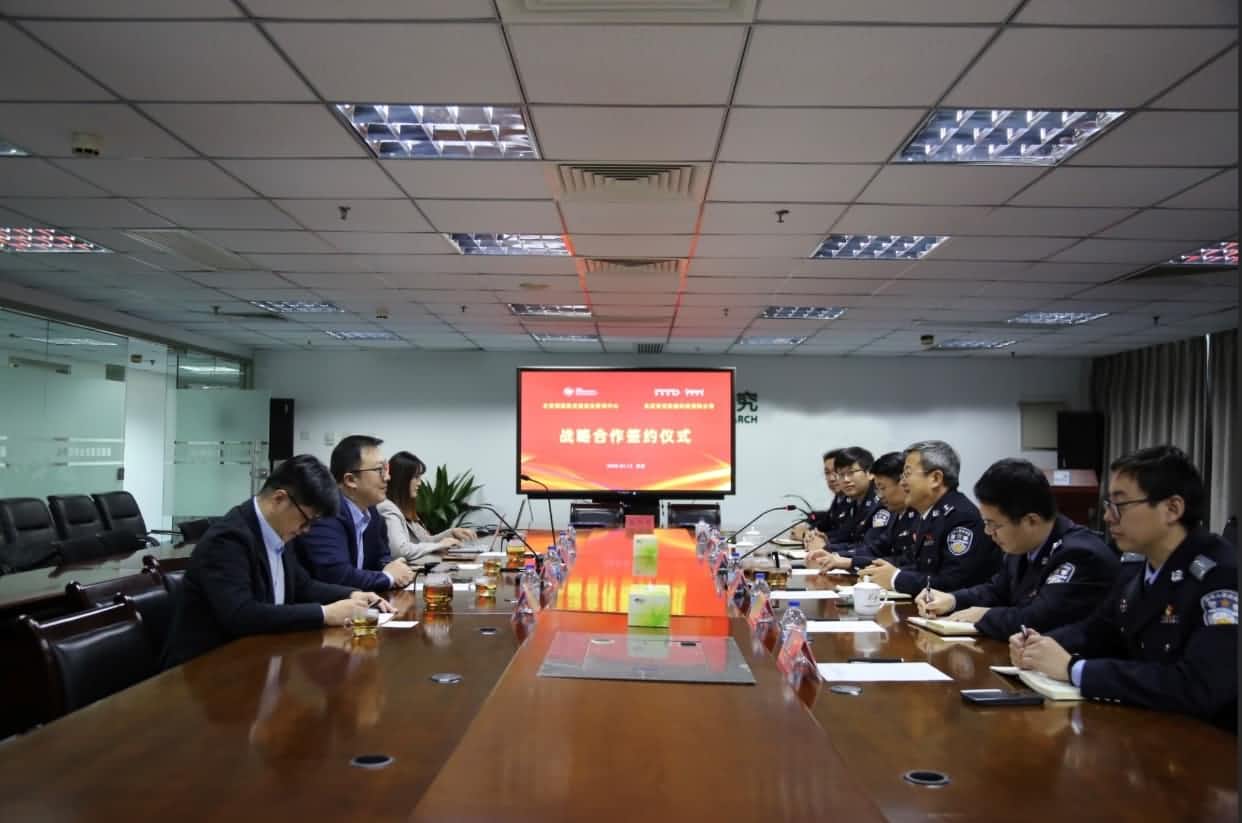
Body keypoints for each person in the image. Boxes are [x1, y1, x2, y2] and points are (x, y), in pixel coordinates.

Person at [1010, 446, 1236, 731]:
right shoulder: (1135, 567)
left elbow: (1197, 686)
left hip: (1211, 742)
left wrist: (1075, 670)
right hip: (1148, 727)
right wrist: (1038, 645)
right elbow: (1097, 631)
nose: (1108, 516)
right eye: (1108, 504)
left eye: (1121, 504)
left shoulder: (1221, 576)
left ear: (1172, 509)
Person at [162, 455, 393, 668]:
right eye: (306, 520)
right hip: (205, 670)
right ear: (279, 499)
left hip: (257, 658)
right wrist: (325, 614)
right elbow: (241, 615)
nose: (306, 530)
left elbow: (303, 586)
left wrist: (352, 594)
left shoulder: (280, 530)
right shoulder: (228, 539)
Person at [916, 458, 1119, 640]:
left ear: (1031, 521)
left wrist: (985, 615)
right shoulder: (1022, 546)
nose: (988, 532)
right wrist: (952, 599)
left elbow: (1038, 619)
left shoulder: (1080, 555)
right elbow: (997, 590)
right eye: (985, 522)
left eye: (994, 524)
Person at [857, 440, 999, 595]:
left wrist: (895, 578)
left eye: (907, 474)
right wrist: (880, 572)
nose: (902, 483)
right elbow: (918, 566)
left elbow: (954, 583)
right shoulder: (929, 514)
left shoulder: (961, 517)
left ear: (935, 478)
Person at [294, 435, 415, 593]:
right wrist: (388, 577)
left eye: (386, 469)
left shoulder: (371, 512)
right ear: (350, 480)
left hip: (360, 602)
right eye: (379, 470)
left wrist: (391, 566)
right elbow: (336, 575)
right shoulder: (326, 512)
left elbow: (381, 556)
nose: (387, 477)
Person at [808, 451, 918, 572]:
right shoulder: (895, 512)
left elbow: (907, 562)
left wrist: (843, 559)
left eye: (882, 488)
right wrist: (832, 552)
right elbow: (874, 548)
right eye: (841, 474)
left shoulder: (904, 512)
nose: (880, 495)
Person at [378, 450, 477, 563]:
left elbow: (425, 541)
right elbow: (400, 550)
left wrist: (452, 532)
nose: (420, 483)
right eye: (416, 477)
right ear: (402, 480)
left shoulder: (404, 509)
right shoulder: (388, 508)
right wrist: (440, 545)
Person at [792, 448, 848, 540]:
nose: (831, 478)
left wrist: (805, 535)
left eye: (837, 472)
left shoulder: (856, 501)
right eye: (827, 473)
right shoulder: (839, 499)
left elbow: (847, 536)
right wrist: (807, 528)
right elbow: (824, 525)